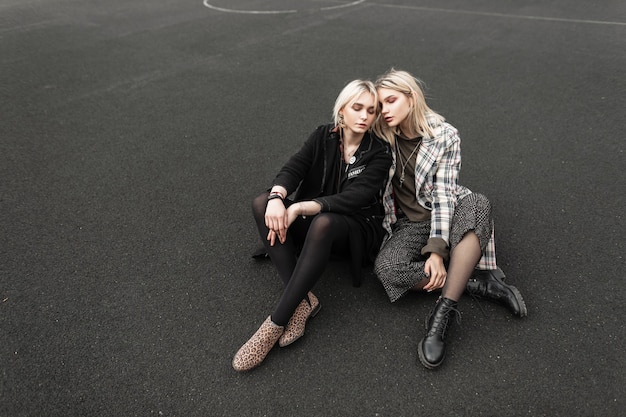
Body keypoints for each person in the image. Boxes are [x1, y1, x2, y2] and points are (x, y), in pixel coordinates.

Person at [232, 79, 392, 372]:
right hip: (318, 217)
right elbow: (295, 167)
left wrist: (299, 207)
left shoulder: (379, 152)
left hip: (354, 228)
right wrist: (278, 197)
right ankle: (304, 301)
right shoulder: (323, 135)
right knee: (261, 202)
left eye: (371, 110)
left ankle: (274, 324)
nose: (365, 116)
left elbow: (355, 198)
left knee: (323, 222)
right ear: (342, 110)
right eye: (357, 108)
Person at [372, 69, 527, 370]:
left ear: (411, 97)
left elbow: (444, 197)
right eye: (380, 106)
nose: (385, 111)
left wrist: (436, 252)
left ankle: (442, 316)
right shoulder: (381, 136)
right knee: (386, 270)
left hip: (448, 211)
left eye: (391, 101)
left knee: (479, 204)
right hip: (410, 223)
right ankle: (476, 285)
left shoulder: (444, 135)